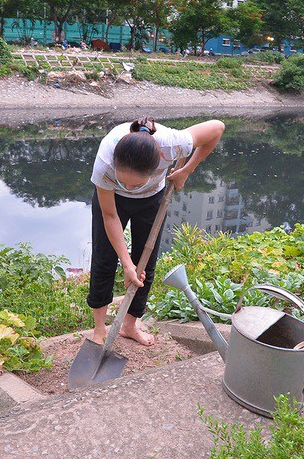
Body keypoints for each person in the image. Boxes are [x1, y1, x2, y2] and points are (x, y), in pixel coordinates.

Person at [88, 117, 225, 346]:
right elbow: (110, 216)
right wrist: (126, 264)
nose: (129, 188)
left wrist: (186, 170)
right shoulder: (104, 160)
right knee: (104, 260)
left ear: (160, 162)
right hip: (113, 203)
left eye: (135, 184)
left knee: (146, 263)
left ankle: (130, 326)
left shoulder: (172, 145)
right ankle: (99, 329)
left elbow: (217, 128)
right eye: (125, 182)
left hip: (151, 200)